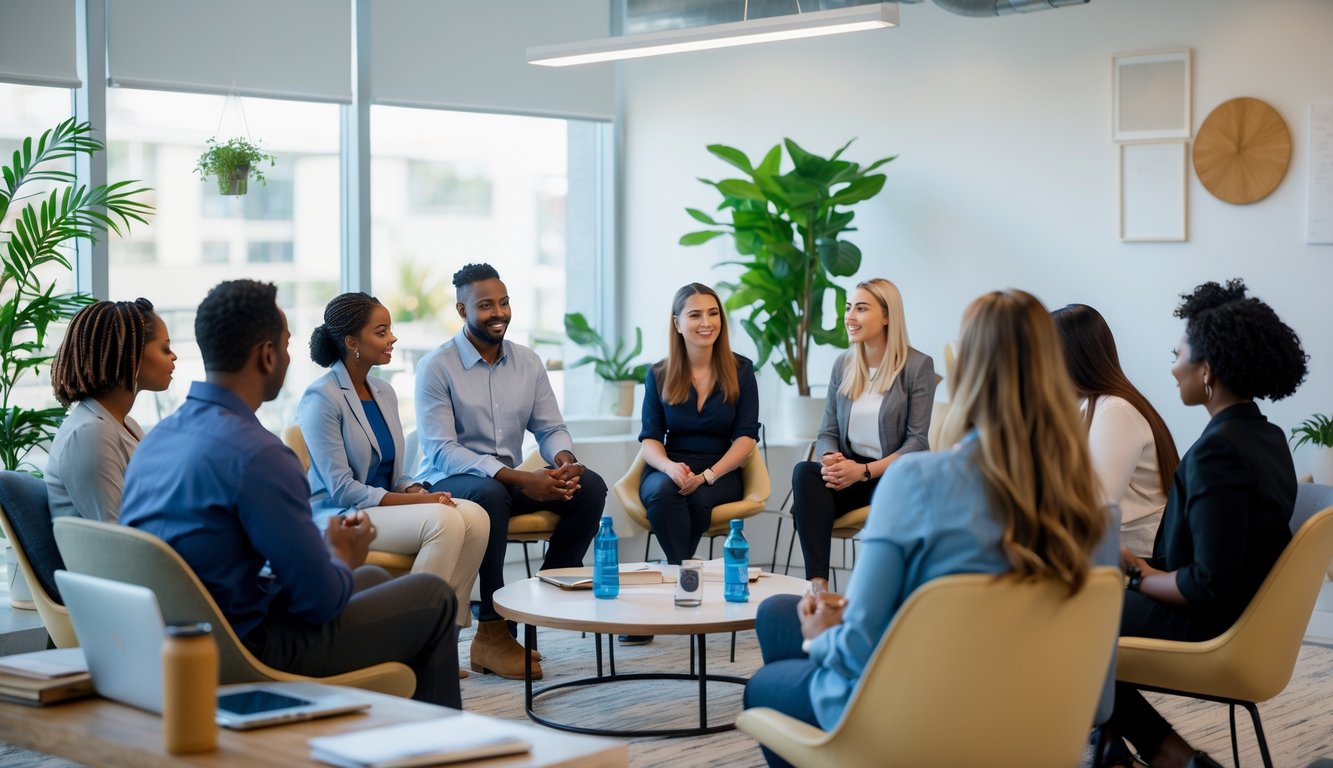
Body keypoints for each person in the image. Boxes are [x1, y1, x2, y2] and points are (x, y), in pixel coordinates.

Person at [744, 289, 1119, 768]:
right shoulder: (1095, 512)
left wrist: (821, 635)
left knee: (767, 680)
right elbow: (1100, 696)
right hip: (1034, 721)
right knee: (778, 612)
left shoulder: (917, 483)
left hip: (915, 717)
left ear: (963, 376)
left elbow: (857, 649)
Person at [119, 280, 461, 708]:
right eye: (285, 344)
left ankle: (383, 724)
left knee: (372, 578)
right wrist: (341, 556)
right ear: (267, 355)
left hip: (177, 639)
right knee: (432, 596)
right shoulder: (260, 454)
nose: (287, 355)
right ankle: (439, 744)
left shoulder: (158, 438)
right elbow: (318, 601)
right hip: (248, 652)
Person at [1107, 279, 1307, 768]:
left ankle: (1169, 755)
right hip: (1247, 614)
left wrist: (1135, 572)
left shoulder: (1219, 451)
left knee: (1069, 615)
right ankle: (1121, 751)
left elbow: (1207, 584)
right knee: (1086, 597)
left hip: (1212, 623)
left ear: (1208, 370)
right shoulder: (1268, 436)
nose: (1173, 368)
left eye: (1178, 355)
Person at [416, 263, 606, 681]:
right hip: (450, 484)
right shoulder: (436, 366)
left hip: (507, 480)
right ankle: (492, 630)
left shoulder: (528, 362)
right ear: (461, 309)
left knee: (589, 487)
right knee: (491, 493)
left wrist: (563, 462)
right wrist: (521, 478)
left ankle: (545, 599)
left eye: (503, 302)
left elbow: (551, 428)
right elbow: (443, 451)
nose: (498, 312)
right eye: (486, 305)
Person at [298, 292, 489, 640]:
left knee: (475, 516)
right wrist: (422, 502)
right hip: (341, 513)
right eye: (382, 331)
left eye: (390, 330)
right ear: (352, 342)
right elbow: (343, 489)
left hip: (381, 505)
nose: (392, 338)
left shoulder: (383, 391)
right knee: (443, 520)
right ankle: (410, 639)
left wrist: (416, 490)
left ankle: (443, 638)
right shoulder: (321, 397)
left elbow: (396, 472)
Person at [627, 283, 759, 645]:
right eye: (696, 314)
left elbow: (746, 438)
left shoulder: (742, 370)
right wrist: (670, 467)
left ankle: (663, 597)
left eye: (713, 313)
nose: (707, 322)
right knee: (662, 493)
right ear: (677, 323)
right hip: (672, 464)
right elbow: (650, 438)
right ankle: (686, 575)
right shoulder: (657, 374)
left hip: (722, 470)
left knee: (697, 498)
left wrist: (707, 476)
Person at [791, 278, 936, 593]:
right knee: (805, 473)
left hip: (890, 476)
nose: (849, 316)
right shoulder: (843, 365)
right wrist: (832, 461)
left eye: (861, 308)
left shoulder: (917, 366)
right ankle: (819, 588)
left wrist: (864, 471)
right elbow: (827, 431)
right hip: (849, 473)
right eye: (848, 308)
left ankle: (873, 593)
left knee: (807, 502)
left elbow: (918, 442)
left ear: (886, 317)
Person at [1053, 304, 1180, 556]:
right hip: (1120, 554)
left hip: (1142, 560)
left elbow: (1094, 508)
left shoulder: (1114, 411)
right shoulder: (1092, 407)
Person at [45, 298, 176, 522]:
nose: (173, 356)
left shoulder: (124, 425)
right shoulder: (89, 434)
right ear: (130, 354)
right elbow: (118, 537)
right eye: (165, 348)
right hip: (125, 556)